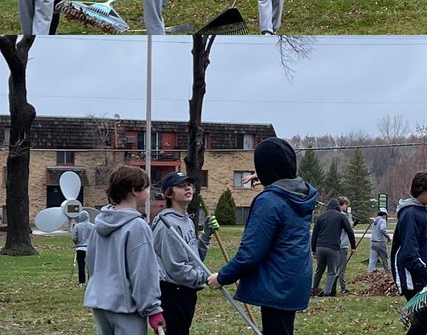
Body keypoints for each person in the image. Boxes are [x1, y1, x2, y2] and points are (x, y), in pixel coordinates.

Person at [208, 138, 318, 335]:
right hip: (294, 279)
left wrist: (222, 277)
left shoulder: (269, 201)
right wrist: (269, 181)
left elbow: (250, 253)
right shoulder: (300, 195)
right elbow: (283, 194)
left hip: (277, 284)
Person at [84, 166, 163, 335]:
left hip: (100, 302)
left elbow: (90, 262)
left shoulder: (99, 224)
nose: (149, 192)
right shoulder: (137, 226)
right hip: (125, 307)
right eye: (146, 187)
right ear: (135, 190)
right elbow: (143, 272)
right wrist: (152, 309)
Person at [152, 172, 209, 335]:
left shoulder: (187, 221)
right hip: (172, 292)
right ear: (169, 193)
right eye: (181, 186)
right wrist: (206, 278)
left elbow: (195, 259)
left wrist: (206, 235)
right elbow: (176, 268)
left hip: (186, 291)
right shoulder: (167, 225)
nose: (188, 188)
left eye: (189, 185)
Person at [391, 171, 427, 335]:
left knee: (424, 319)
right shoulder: (411, 214)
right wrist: (425, 270)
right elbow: (408, 251)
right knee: (424, 319)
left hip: (419, 274)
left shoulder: (421, 211)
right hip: (410, 274)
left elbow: (423, 244)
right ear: (419, 191)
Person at [311, 196, 356, 296]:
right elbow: (350, 231)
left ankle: (313, 289)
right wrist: (353, 247)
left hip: (320, 247)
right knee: (332, 272)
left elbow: (314, 234)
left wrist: (313, 249)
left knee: (319, 270)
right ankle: (327, 293)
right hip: (333, 247)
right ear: (337, 207)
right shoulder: (341, 216)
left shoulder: (321, 217)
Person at [72, 208, 93, 286]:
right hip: (90, 248)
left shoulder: (77, 226)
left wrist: (77, 242)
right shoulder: (92, 226)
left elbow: (74, 237)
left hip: (80, 248)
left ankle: (82, 282)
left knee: (81, 266)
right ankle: (91, 281)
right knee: (90, 266)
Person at [369, 207, 391, 272]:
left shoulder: (374, 221)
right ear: (384, 215)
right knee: (385, 258)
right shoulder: (382, 220)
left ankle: (369, 272)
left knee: (373, 259)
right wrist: (387, 236)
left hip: (373, 242)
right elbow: (382, 229)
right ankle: (388, 271)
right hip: (380, 242)